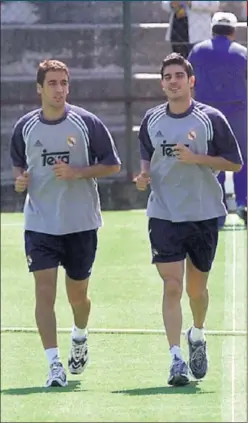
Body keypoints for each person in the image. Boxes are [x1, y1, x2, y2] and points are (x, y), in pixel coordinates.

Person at [10, 59, 121, 388]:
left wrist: (77, 173)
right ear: (39, 89)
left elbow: (113, 165)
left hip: (81, 223)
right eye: (53, 83)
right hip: (41, 223)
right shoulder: (25, 127)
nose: (59, 89)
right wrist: (20, 181)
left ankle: (80, 335)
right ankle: (53, 364)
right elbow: (19, 166)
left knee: (78, 297)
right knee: (44, 293)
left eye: (63, 83)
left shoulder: (87, 123)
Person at [135, 53, 243, 386]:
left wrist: (197, 158)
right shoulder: (151, 119)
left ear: (191, 81)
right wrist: (143, 177)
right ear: (162, 82)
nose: (173, 81)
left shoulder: (211, 119)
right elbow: (145, 159)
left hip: (203, 213)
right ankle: (176, 360)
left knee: (197, 290)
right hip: (164, 214)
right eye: (167, 76)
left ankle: (196, 334)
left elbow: (235, 164)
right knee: (172, 286)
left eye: (179, 75)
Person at [188, 12, 247, 227]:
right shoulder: (242, 53)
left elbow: (189, 80)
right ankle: (244, 202)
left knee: (212, 159)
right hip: (238, 113)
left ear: (213, 29)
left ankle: (217, 209)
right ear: (233, 30)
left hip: (207, 115)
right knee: (241, 159)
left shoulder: (197, 51)